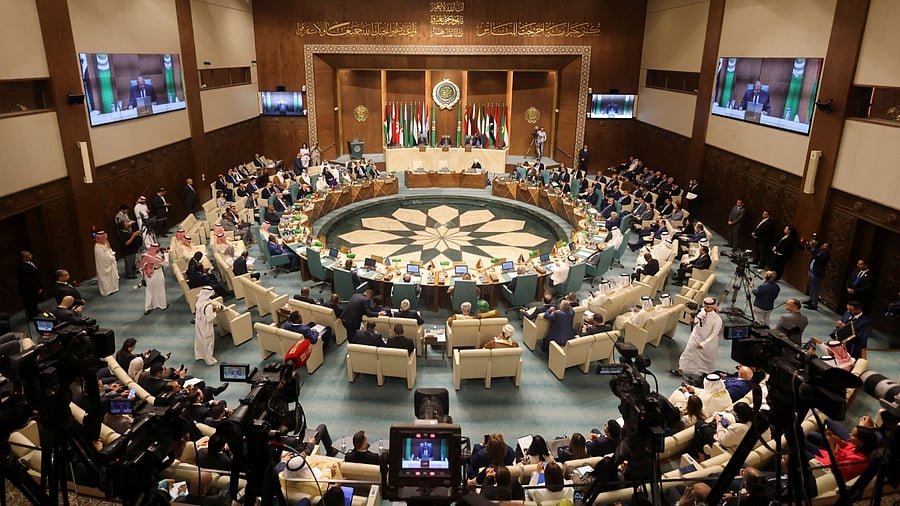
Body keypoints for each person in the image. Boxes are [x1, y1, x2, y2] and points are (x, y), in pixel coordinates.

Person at [671, 297, 722, 379]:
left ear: (713, 307)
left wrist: (703, 343)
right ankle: (681, 370)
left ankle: (705, 373)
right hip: (695, 336)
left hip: (708, 342)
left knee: (706, 359)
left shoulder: (717, 319)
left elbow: (714, 334)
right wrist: (693, 320)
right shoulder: (702, 311)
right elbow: (697, 320)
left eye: (707, 307)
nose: (705, 308)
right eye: (705, 306)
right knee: (688, 352)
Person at [805, 425, 878, 481]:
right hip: (827, 456)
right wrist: (833, 437)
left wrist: (831, 444)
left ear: (861, 442)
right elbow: (845, 445)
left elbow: (834, 467)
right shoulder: (857, 446)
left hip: (825, 466)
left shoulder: (858, 461)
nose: (849, 435)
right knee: (805, 440)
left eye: (853, 435)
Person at [194, 287, 222, 366]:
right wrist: (215, 312)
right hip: (206, 326)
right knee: (208, 342)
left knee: (200, 339)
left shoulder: (198, 302)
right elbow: (209, 319)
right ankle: (210, 360)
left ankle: (200, 355)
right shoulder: (208, 305)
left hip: (199, 324)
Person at [140, 243, 169, 315]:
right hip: (157, 274)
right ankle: (162, 305)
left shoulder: (145, 256)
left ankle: (147, 308)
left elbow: (142, 268)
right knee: (160, 290)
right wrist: (166, 254)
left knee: (149, 291)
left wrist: (145, 275)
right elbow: (166, 263)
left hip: (148, 276)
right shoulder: (156, 257)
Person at [116, 207, 142, 279]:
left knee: (133, 262)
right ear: (123, 227)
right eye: (126, 224)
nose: (128, 224)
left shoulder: (126, 232)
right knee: (129, 263)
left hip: (132, 250)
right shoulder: (122, 234)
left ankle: (133, 271)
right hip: (128, 251)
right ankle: (129, 274)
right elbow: (127, 243)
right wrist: (133, 236)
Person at [804, 241, 830, 310]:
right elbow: (811, 250)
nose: (823, 246)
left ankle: (814, 304)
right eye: (823, 245)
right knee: (810, 286)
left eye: (826, 246)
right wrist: (809, 245)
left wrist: (812, 249)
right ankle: (811, 299)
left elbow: (816, 256)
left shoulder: (826, 255)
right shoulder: (819, 251)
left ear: (828, 249)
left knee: (815, 289)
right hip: (811, 271)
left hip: (817, 274)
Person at [17, 251, 43, 320]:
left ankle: (35, 312)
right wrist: (37, 289)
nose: (31, 255)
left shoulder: (29, 263)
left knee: (34, 302)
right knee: (31, 303)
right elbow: (29, 281)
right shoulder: (23, 268)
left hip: (32, 288)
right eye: (29, 255)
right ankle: (33, 317)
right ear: (25, 257)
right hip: (28, 290)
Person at [93, 231, 119, 296]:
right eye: (102, 238)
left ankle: (114, 288)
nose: (104, 239)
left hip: (111, 264)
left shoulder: (104, 244)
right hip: (104, 267)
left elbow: (110, 250)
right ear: (98, 239)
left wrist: (111, 254)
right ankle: (107, 291)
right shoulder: (97, 247)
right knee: (106, 279)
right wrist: (112, 257)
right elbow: (105, 258)